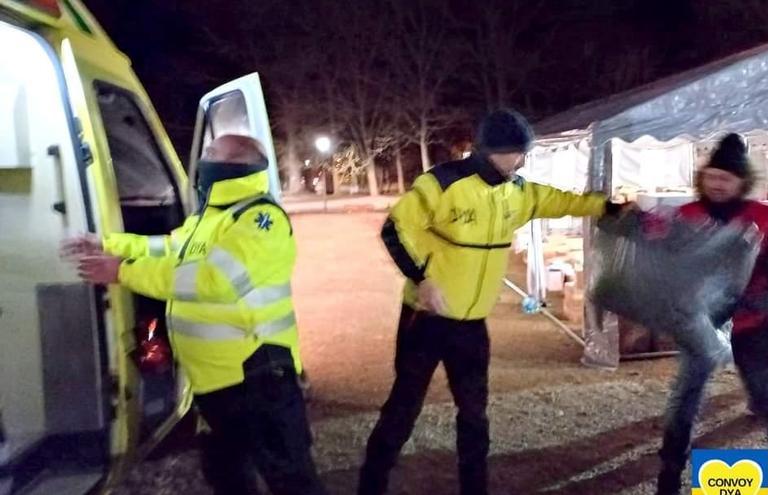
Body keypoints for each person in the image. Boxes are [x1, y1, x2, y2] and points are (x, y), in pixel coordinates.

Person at [358, 109, 621, 495]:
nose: (522, 160)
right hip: (426, 319)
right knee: (403, 408)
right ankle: (371, 484)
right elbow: (393, 229)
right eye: (517, 152)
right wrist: (423, 280)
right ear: (491, 150)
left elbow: (562, 202)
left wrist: (609, 207)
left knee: (475, 415)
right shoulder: (443, 183)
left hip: (472, 327)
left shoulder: (518, 192)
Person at [62, 134, 325, 495]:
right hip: (216, 384)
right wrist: (106, 244)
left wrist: (123, 271)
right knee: (226, 475)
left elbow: (214, 280)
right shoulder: (210, 218)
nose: (203, 160)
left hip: (257, 379)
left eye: (211, 153)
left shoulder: (261, 219)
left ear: (236, 164)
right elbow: (167, 248)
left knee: (292, 482)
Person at [656, 134, 768, 495]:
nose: (718, 183)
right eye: (712, 176)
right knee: (685, 397)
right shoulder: (686, 216)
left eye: (727, 178)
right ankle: (669, 475)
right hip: (700, 326)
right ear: (702, 177)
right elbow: (668, 270)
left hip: (756, 326)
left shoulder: (765, 217)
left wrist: (755, 303)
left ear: (742, 182)